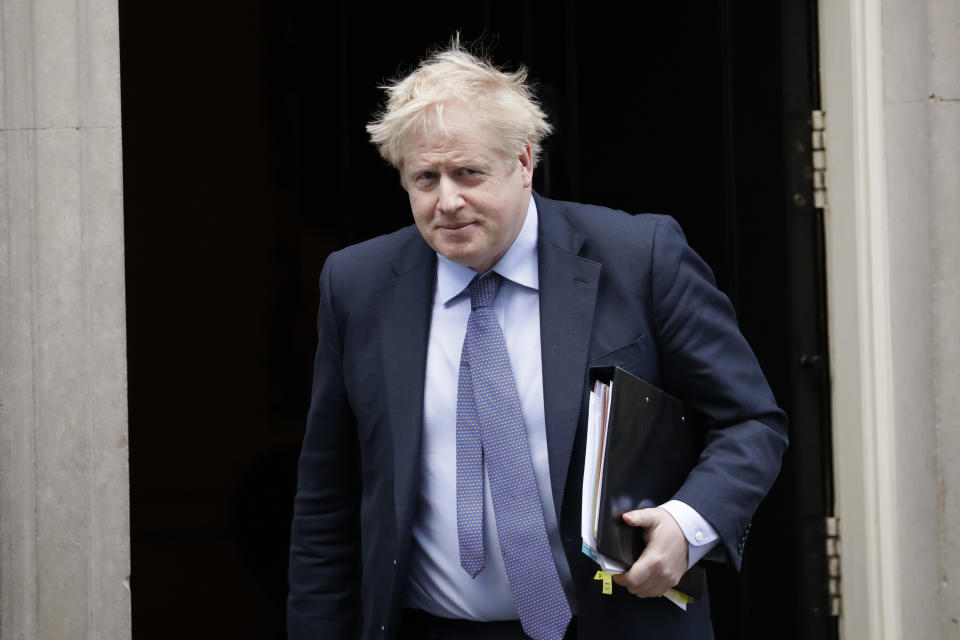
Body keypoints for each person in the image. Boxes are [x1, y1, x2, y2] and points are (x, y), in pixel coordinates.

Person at [287, 42, 788, 640]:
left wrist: (689, 523)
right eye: (425, 178)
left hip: (613, 622)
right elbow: (328, 497)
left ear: (523, 162)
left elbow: (750, 421)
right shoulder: (358, 285)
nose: (447, 200)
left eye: (468, 172)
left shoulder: (639, 258)